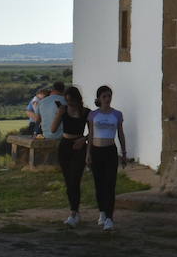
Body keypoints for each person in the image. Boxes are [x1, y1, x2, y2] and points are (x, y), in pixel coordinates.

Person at [86, 85, 128, 232]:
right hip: (96, 151)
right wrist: (88, 153)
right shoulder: (93, 115)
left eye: (109, 96)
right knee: (99, 184)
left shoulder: (117, 114)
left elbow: (120, 134)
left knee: (110, 184)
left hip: (110, 150)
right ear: (99, 98)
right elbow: (90, 135)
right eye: (104, 96)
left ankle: (110, 218)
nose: (107, 99)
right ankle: (102, 212)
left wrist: (124, 152)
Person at [51, 85, 90, 227]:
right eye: (68, 102)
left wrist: (84, 139)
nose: (70, 105)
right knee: (68, 181)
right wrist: (59, 114)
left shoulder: (86, 112)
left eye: (72, 102)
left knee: (75, 179)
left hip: (79, 146)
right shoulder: (64, 110)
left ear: (78, 100)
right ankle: (74, 211)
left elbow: (93, 131)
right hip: (65, 146)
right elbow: (53, 129)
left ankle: (74, 212)